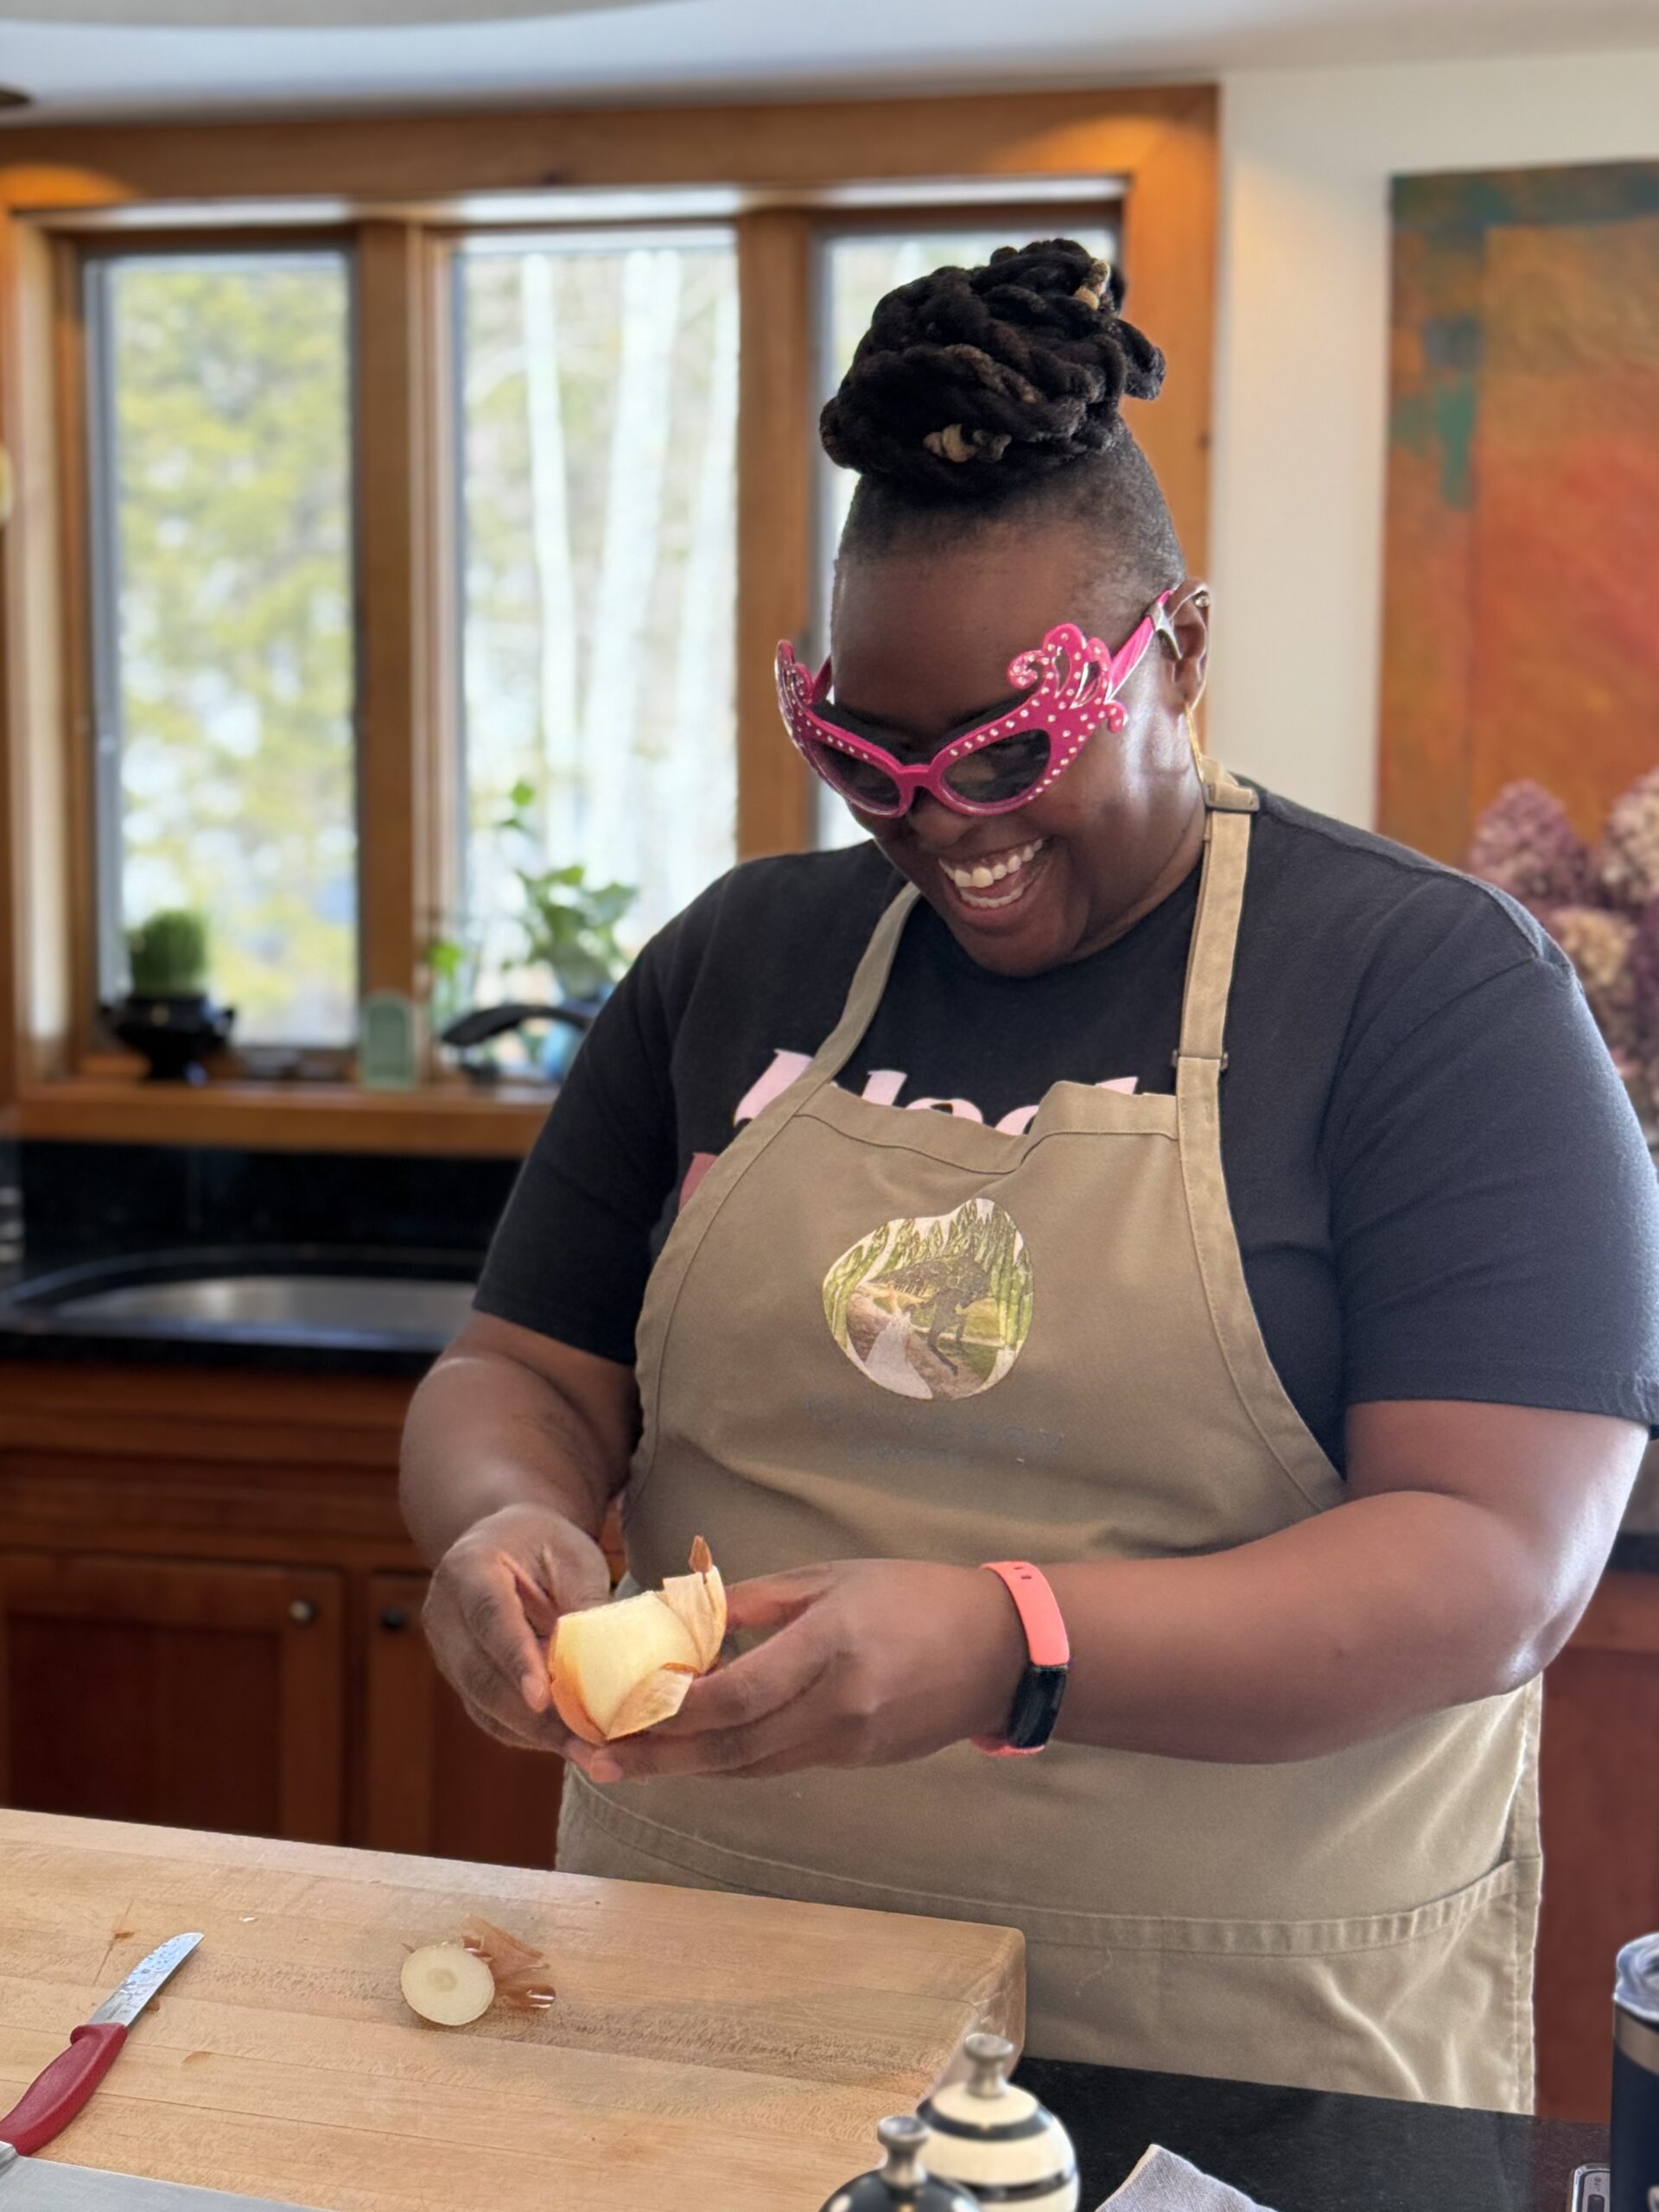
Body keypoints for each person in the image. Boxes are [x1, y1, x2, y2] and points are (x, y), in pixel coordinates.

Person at [402, 239, 1658, 2108]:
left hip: (1244, 2042)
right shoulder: (740, 958)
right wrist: (500, 1525)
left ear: (1186, 654)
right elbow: (526, 1370)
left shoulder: (1429, 990)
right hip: (700, 1985)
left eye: (1012, 747)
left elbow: (1492, 1563)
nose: (942, 820)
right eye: (865, 754)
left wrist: (1013, 1642)